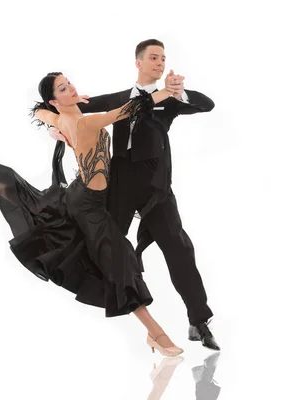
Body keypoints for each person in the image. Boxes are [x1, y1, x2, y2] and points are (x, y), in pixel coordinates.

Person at [0, 72, 183, 356]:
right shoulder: (86, 121)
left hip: (83, 194)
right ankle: (156, 334)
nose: (71, 87)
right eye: (63, 88)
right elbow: (130, 109)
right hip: (89, 205)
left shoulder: (60, 118)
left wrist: (56, 120)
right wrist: (167, 92)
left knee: (44, 210)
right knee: (118, 263)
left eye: (69, 83)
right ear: (55, 99)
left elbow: (39, 110)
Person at [74, 39, 220, 350]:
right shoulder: (119, 98)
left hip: (156, 186)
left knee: (178, 249)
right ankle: (142, 320)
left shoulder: (169, 99)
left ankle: (198, 320)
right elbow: (75, 111)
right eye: (153, 57)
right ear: (138, 62)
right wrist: (55, 127)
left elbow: (206, 105)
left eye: (163, 58)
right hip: (121, 183)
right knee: (105, 246)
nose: (160, 63)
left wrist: (180, 92)